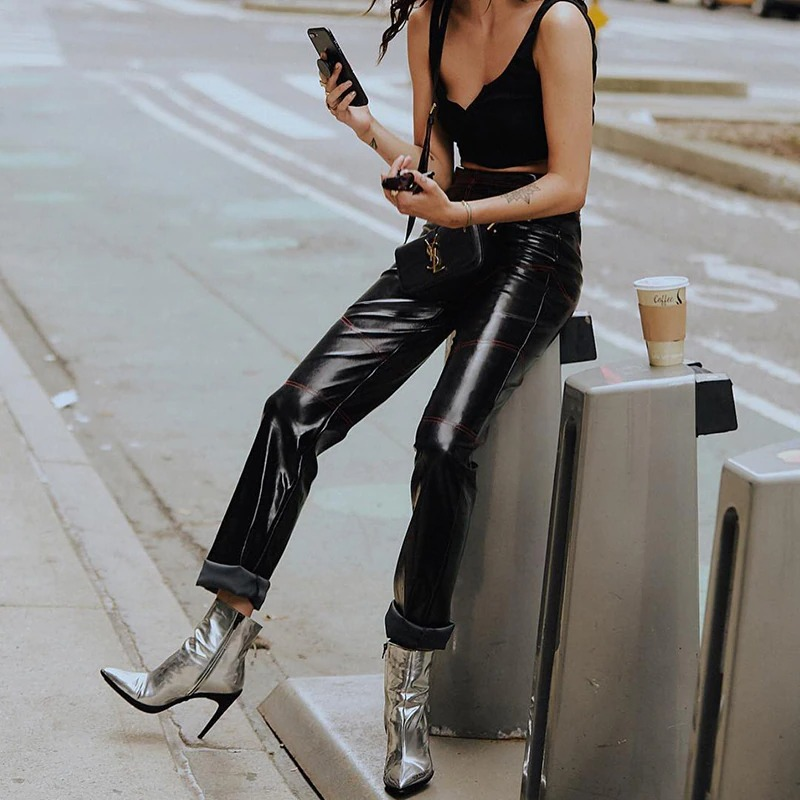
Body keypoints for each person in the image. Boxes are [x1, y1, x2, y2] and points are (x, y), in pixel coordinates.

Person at [100, 0, 596, 794]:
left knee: (443, 443)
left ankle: (407, 682)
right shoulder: (434, 22)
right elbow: (435, 166)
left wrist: (457, 208)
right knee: (292, 410)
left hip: (536, 255)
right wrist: (365, 130)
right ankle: (221, 639)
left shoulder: (560, 24)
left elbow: (570, 183)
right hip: (452, 236)